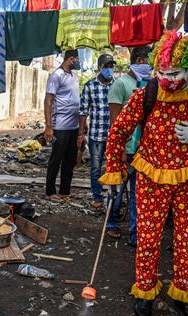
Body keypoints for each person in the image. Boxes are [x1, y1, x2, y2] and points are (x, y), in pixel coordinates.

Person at [99, 31, 188, 316]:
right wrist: (114, 170)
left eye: (174, 73)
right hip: (151, 177)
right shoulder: (148, 92)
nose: (168, 80)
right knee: (148, 238)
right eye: (163, 73)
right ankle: (145, 292)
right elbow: (118, 131)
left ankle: (182, 293)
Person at [105, 46, 153, 243]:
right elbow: (115, 122)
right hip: (126, 148)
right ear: (140, 60)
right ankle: (112, 223)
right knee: (117, 188)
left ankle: (135, 233)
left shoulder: (149, 86)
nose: (150, 65)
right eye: (148, 60)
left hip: (143, 150)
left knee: (138, 193)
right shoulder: (121, 85)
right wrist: (121, 149)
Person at [79, 53, 116, 210]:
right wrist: (81, 133)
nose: (109, 69)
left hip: (114, 135)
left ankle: (113, 197)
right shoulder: (90, 86)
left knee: (113, 168)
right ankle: (97, 196)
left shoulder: (117, 85)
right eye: (106, 66)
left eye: (111, 66)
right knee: (96, 167)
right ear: (99, 68)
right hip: (96, 134)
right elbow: (83, 111)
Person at [44, 50, 81, 202]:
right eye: (77, 59)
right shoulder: (56, 76)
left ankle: (65, 191)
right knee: (56, 159)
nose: (78, 62)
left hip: (73, 126)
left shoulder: (73, 76)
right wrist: (48, 127)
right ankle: (50, 191)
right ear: (70, 59)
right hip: (60, 126)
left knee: (70, 160)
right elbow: (48, 101)